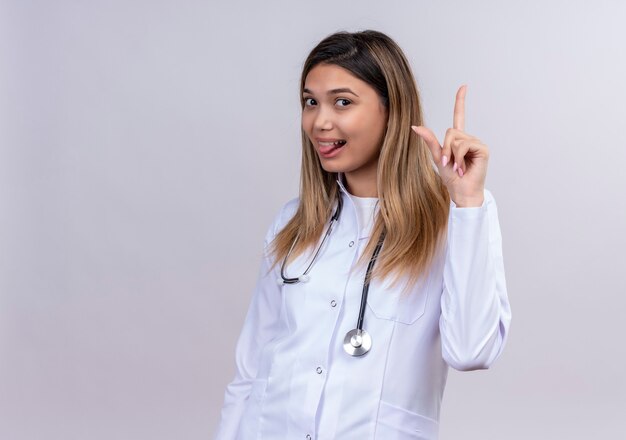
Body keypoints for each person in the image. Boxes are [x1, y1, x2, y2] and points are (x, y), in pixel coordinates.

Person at [214, 30, 511, 440]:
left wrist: (468, 202)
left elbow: (471, 351)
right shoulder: (292, 224)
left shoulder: (454, 222)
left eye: (343, 102)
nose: (320, 121)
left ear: (391, 110)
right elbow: (249, 371)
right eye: (310, 102)